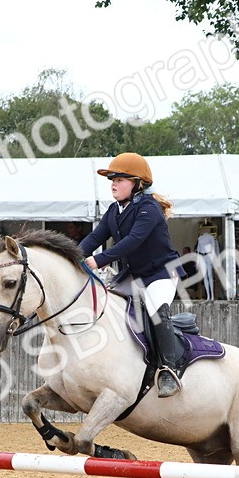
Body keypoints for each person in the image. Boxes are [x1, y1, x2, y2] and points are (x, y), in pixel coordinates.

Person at [80, 152, 184, 398]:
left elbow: (132, 242)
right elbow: (95, 237)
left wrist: (97, 260)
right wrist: (72, 256)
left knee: (157, 310)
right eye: (112, 179)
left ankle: (169, 370)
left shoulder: (150, 208)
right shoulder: (114, 210)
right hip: (133, 274)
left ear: (138, 184)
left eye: (121, 179)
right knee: (108, 307)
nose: (114, 183)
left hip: (160, 274)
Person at [195, 224, 220, 300]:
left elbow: (213, 249)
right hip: (203, 256)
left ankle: (211, 295)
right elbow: (198, 250)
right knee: (206, 277)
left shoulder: (211, 237)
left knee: (209, 276)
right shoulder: (200, 238)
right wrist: (198, 261)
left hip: (208, 256)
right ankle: (208, 296)